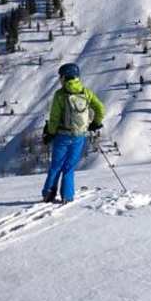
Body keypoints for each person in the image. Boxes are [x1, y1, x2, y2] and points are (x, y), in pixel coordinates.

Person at [41, 63, 105, 203]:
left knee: (56, 165)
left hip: (62, 136)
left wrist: (50, 133)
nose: (60, 79)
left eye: (60, 76)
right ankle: (67, 196)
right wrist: (95, 123)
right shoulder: (85, 92)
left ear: (65, 77)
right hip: (79, 135)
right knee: (69, 167)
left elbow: (54, 118)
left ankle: (48, 194)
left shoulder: (60, 94)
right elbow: (100, 108)